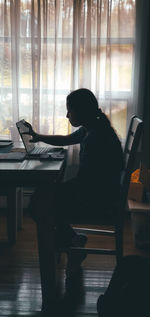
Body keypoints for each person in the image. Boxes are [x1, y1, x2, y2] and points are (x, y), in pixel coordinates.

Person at [23, 88, 124, 312]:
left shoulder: (97, 136)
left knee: (41, 203)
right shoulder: (92, 127)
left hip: (99, 198)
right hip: (95, 191)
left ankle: (70, 245)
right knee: (42, 201)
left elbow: (90, 183)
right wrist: (38, 136)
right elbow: (66, 139)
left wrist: (60, 191)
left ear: (82, 111)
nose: (67, 116)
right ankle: (73, 243)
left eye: (70, 111)